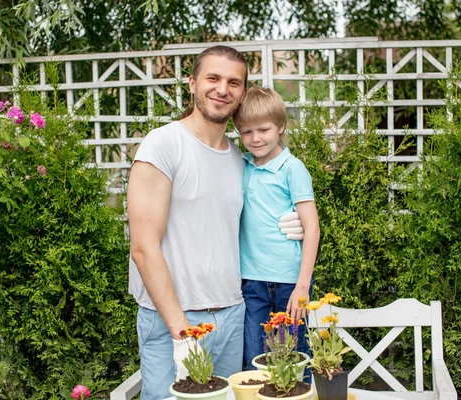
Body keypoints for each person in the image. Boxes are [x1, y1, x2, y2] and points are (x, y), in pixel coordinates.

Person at [127, 46, 303, 400]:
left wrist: (291, 224)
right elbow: (144, 249)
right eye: (213, 78)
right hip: (175, 319)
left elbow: (241, 228)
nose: (223, 89)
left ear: (242, 93)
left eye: (233, 82)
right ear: (192, 83)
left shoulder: (241, 160)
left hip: (232, 314)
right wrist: (183, 332)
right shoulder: (163, 145)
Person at [233, 87, 320, 377]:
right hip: (251, 282)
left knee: (295, 361)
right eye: (246, 132)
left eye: (263, 129)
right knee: (254, 362)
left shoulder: (292, 169)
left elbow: (312, 228)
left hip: (289, 282)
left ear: (281, 127)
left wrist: (302, 286)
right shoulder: (240, 165)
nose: (255, 138)